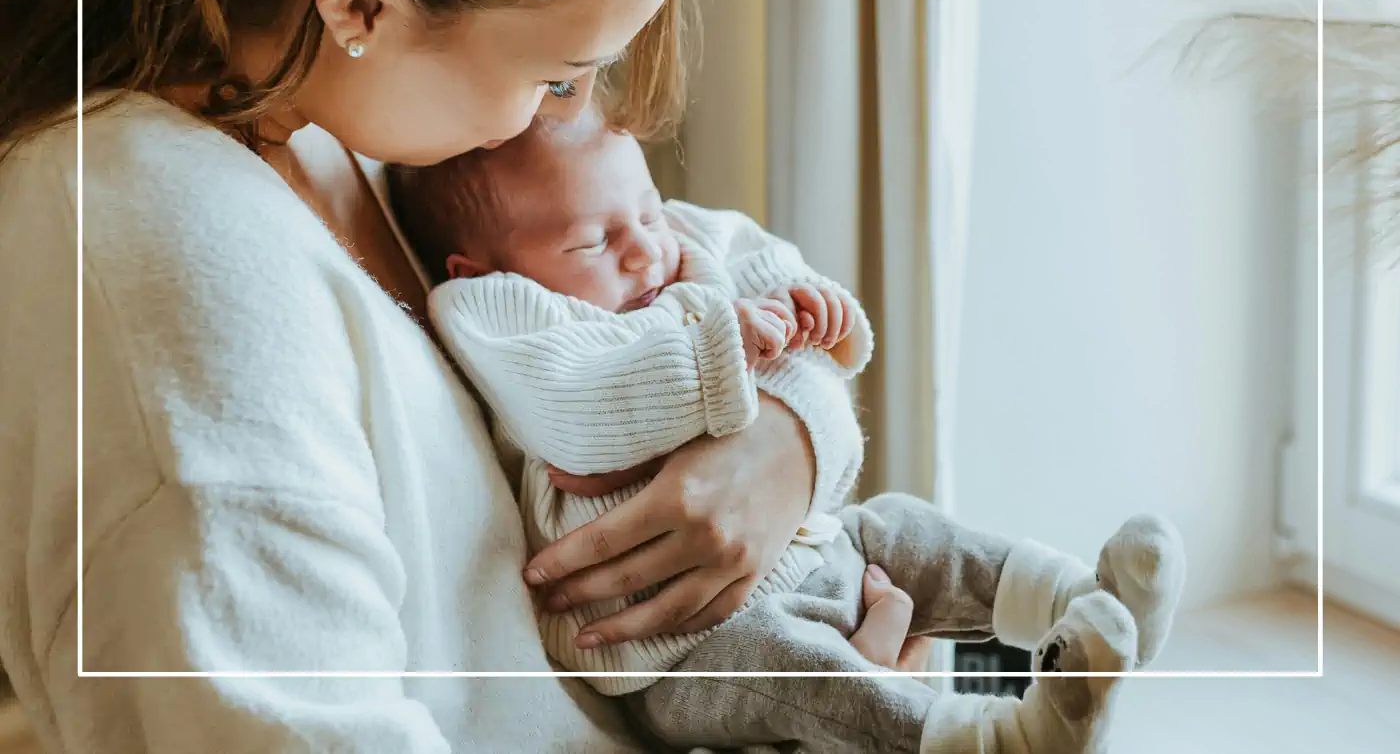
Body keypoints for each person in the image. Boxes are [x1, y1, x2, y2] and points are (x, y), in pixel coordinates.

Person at [0, 0, 933, 751]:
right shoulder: (164, 269)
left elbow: (699, 258)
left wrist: (785, 432)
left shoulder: (325, 128)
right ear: (359, 5)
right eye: (555, 77)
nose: (561, 120)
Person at [390, 112, 1188, 754]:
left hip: (812, 546)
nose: (645, 250)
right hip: (687, 652)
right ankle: (999, 740)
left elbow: (752, 263)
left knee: (906, 529)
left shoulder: (664, 248)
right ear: (480, 269)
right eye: (593, 242)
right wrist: (722, 343)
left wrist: (812, 309)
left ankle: (1086, 602)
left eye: (646, 211)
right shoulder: (496, 313)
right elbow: (577, 409)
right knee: (812, 679)